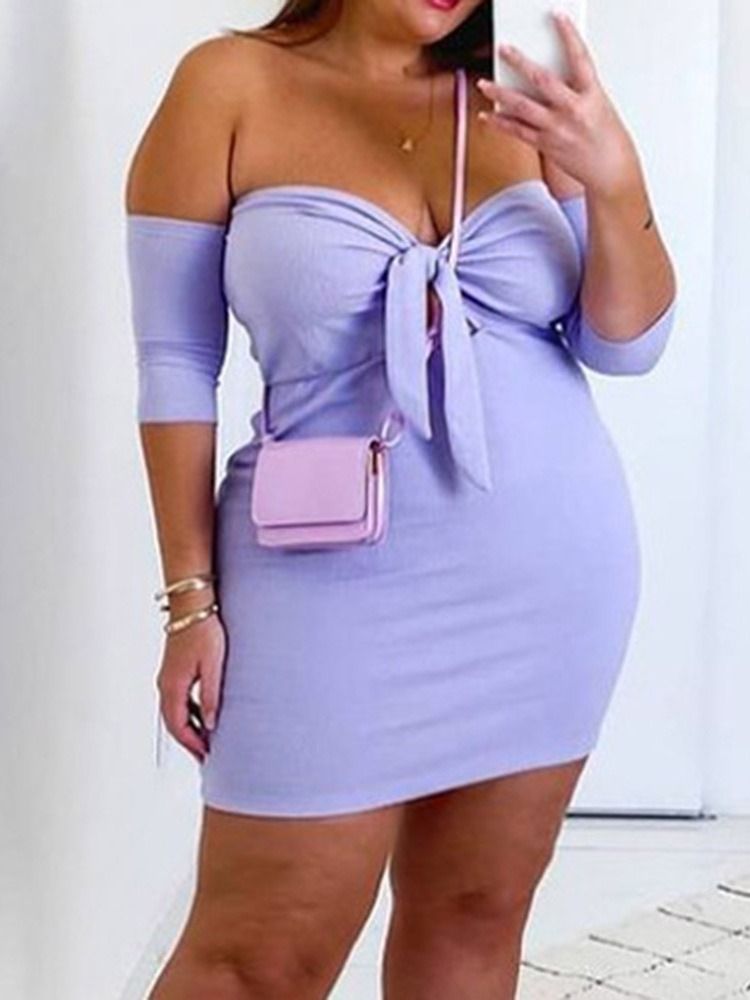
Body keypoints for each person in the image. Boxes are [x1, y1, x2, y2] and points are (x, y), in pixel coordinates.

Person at [124, 1, 677, 997]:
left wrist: (612, 172)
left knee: (474, 921)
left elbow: (627, 344)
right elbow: (174, 363)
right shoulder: (225, 86)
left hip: (544, 579)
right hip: (316, 584)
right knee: (255, 959)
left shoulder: (524, 93)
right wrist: (189, 598)